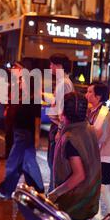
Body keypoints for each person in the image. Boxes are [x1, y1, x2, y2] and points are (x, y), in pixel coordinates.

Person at [47, 92, 101, 220]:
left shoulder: (70, 138)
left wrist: (55, 193)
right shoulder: (88, 128)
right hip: (86, 199)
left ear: (64, 112)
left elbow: (79, 175)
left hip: (73, 202)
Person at [0, 75, 44, 199]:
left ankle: (6, 191)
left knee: (14, 163)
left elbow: (37, 120)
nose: (20, 82)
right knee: (26, 164)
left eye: (22, 81)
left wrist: (36, 137)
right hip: (20, 133)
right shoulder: (23, 96)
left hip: (24, 135)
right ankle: (38, 192)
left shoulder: (34, 98)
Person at [85, 82, 110, 220]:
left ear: (98, 96)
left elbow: (97, 135)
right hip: (102, 156)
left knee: (103, 188)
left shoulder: (103, 112)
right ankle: (98, 219)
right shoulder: (94, 111)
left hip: (106, 157)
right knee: (98, 188)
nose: (86, 95)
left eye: (89, 92)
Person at [46, 54, 75, 192]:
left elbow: (62, 111)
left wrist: (59, 130)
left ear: (59, 66)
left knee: (54, 164)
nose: (50, 67)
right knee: (52, 163)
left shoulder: (63, 83)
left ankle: (52, 196)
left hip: (58, 127)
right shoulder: (63, 82)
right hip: (58, 126)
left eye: (52, 64)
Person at [0, 61, 24, 160]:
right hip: (11, 110)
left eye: (15, 68)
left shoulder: (24, 82)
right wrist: (7, 108)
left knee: (15, 134)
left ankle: (14, 155)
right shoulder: (14, 81)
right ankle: (8, 153)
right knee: (9, 133)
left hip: (17, 111)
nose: (12, 70)